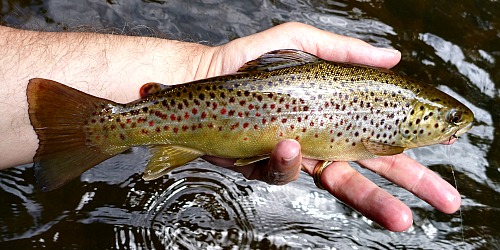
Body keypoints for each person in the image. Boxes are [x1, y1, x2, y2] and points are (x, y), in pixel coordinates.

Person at [0, 22, 460, 232]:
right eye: (449, 119)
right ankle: (97, 131)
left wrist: (201, 67)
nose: (453, 126)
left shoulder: (390, 121)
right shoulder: (380, 137)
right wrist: (208, 66)